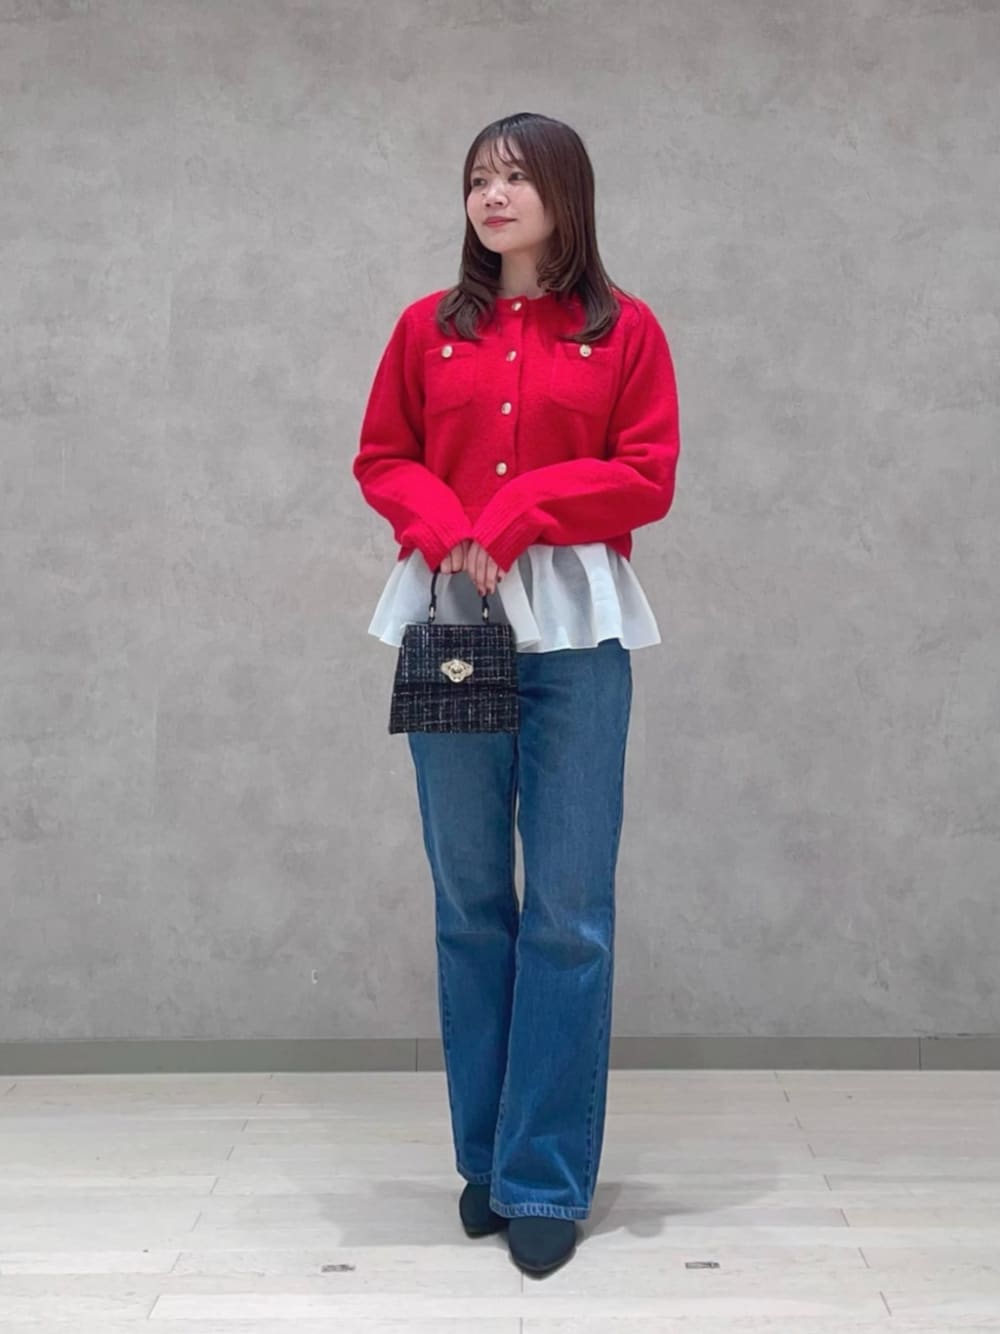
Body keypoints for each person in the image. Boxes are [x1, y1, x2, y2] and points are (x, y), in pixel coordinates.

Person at [352, 111, 680, 1277]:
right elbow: (381, 456)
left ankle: (545, 1172)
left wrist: (519, 511)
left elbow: (647, 475)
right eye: (477, 179)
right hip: (452, 623)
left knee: (569, 913)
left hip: (578, 635)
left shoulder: (624, 330)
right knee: (469, 901)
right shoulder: (426, 330)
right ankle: (486, 1159)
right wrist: (447, 523)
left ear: (563, 195)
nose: (491, 196)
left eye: (514, 178)